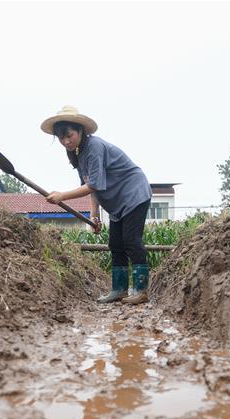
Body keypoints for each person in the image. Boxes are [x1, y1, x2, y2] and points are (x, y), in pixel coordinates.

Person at [42, 106, 152, 305]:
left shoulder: (94, 147)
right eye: (61, 138)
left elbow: (93, 185)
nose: (66, 141)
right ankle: (119, 290)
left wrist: (62, 196)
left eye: (69, 135)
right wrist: (94, 216)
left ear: (80, 131)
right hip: (117, 203)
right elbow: (90, 186)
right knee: (115, 244)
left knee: (130, 240)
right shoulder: (79, 154)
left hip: (134, 193)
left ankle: (141, 290)